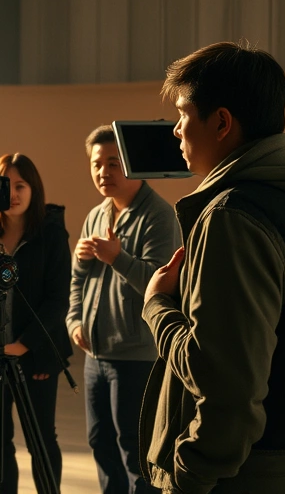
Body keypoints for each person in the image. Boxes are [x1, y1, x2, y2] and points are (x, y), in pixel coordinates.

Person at [141, 42, 285, 494]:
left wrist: (158, 307)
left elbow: (223, 382)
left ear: (222, 122)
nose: (175, 131)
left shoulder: (233, 217)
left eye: (182, 115)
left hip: (247, 478)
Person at [65, 126, 180, 494]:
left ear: (132, 164)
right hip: (95, 354)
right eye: (97, 164)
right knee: (100, 445)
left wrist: (118, 258)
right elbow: (78, 279)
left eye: (113, 163)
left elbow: (161, 286)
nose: (104, 172)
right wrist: (73, 320)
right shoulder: (97, 214)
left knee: (136, 451)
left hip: (136, 356)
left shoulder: (158, 216)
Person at [0, 153, 73, 494]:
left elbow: (58, 300)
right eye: (5, 186)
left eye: (21, 185)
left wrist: (24, 345)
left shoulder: (50, 233)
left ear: (34, 189)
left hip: (38, 352)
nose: (13, 194)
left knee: (40, 437)